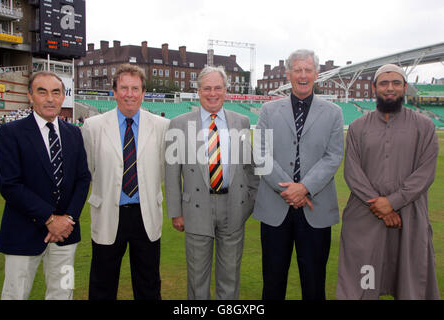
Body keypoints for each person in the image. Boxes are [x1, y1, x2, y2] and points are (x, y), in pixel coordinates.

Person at [336, 64, 440, 300]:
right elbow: (352, 172)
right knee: (363, 282)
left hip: (409, 218)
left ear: (404, 87)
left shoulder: (424, 127)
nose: (389, 88)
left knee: (409, 284)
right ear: (374, 88)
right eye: (384, 83)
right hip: (365, 218)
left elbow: (425, 174)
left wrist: (392, 202)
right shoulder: (357, 127)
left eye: (396, 83)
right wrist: (382, 208)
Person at [253, 49, 344, 300]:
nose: (303, 75)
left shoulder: (334, 112)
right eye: (297, 70)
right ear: (288, 74)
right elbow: (260, 154)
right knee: (272, 283)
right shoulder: (269, 111)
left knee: (314, 285)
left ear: (316, 74)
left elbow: (334, 156)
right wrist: (289, 190)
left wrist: (304, 188)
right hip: (275, 210)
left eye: (308, 70)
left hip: (315, 209)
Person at [165, 66, 259, 300]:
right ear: (198, 91)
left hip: (234, 207)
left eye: (218, 88)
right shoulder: (178, 123)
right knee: (198, 279)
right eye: (207, 88)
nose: (212, 93)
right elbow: (171, 172)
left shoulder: (242, 121)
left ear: (226, 91)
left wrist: (249, 202)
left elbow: (251, 168)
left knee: (230, 276)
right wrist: (176, 212)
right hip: (196, 207)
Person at [0, 71, 91, 300]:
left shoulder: (73, 133)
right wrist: (50, 219)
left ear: (62, 97)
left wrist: (68, 219)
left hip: (65, 235)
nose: (50, 98)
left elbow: (82, 178)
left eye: (56, 92)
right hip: (22, 233)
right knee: (15, 294)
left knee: (63, 292)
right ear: (30, 96)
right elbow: (9, 185)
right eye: (42, 92)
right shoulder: (11, 133)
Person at [82, 64, 169, 300]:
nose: (129, 93)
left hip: (146, 214)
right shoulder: (93, 126)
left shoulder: (162, 126)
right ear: (114, 91)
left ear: (143, 92)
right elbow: (87, 171)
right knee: (102, 283)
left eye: (135, 88)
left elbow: (163, 170)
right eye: (124, 88)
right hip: (109, 213)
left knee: (148, 283)